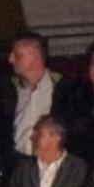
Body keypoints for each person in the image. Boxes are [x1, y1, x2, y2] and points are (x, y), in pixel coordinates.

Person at [4, 31, 60, 160]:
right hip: (17, 161)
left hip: (51, 162)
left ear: (34, 57)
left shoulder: (62, 88)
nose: (10, 59)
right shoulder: (8, 89)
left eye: (17, 55)